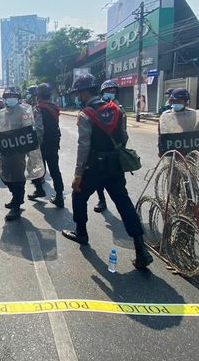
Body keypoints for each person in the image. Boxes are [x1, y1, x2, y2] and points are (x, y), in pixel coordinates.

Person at [61, 73, 153, 269]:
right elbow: (124, 137)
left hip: (94, 166)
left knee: (78, 196)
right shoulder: (117, 109)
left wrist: (78, 174)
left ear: (84, 92)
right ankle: (140, 249)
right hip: (115, 165)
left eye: (79, 93)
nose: (78, 96)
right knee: (124, 202)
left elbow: (83, 146)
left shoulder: (86, 113)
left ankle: (81, 233)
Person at [0, 86, 44, 220]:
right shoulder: (1, 113)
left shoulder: (23, 111)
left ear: (18, 98)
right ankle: (15, 197)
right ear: (4, 99)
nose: (10, 99)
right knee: (5, 176)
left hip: (19, 150)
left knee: (18, 177)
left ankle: (16, 206)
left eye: (13, 97)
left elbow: (30, 128)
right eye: (8, 97)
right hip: (6, 149)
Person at [28, 83, 64, 207]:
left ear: (38, 95)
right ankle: (59, 196)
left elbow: (39, 129)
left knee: (35, 168)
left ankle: (39, 190)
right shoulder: (55, 107)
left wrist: (36, 145)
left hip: (43, 144)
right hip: (54, 143)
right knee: (55, 170)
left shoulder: (38, 109)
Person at [94, 80, 123, 212]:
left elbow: (124, 132)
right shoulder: (96, 108)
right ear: (102, 92)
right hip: (99, 150)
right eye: (108, 91)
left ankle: (126, 210)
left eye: (113, 92)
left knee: (119, 184)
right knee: (98, 180)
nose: (111, 94)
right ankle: (101, 200)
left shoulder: (120, 109)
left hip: (115, 150)